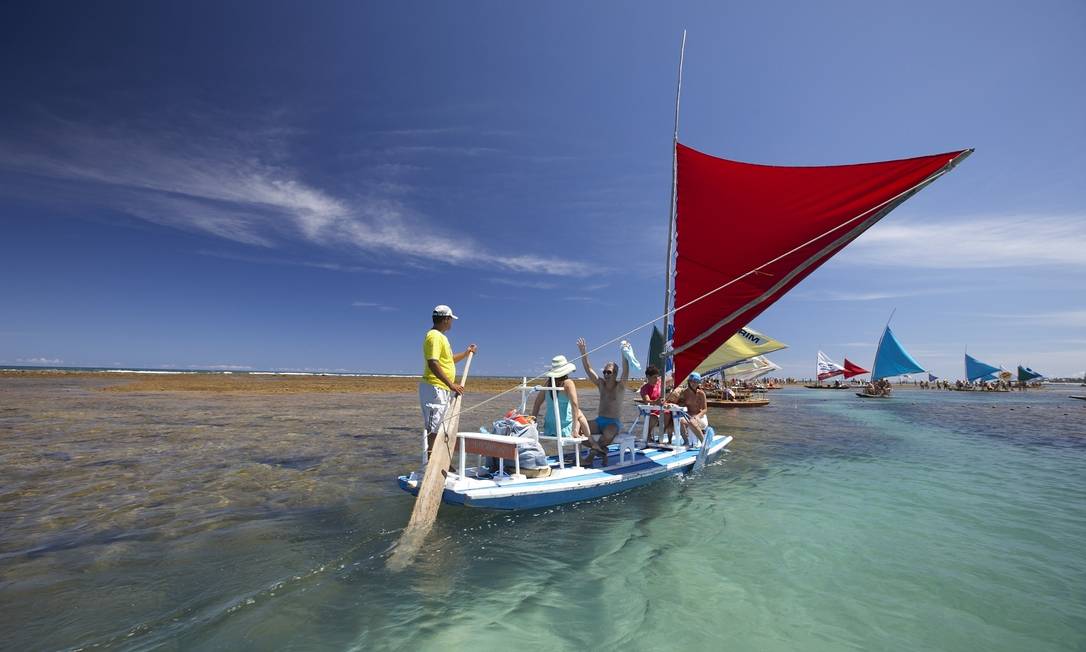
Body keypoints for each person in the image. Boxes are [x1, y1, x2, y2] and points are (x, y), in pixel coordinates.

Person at [419, 304, 477, 457]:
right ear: (446, 319)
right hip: (434, 387)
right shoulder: (434, 336)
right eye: (451, 319)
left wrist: (465, 354)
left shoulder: (441, 337)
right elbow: (433, 362)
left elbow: (448, 360)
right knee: (434, 426)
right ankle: (432, 461)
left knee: (442, 424)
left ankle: (440, 458)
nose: (452, 322)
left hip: (442, 388)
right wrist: (451, 384)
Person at [530, 355, 597, 458]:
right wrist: (574, 429)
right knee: (578, 415)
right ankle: (591, 443)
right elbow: (574, 404)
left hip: (550, 428)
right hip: (564, 428)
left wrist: (532, 424)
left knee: (578, 414)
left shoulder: (548, 383)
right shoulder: (568, 383)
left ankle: (591, 442)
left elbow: (537, 403)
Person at [576, 337, 629, 467]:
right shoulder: (601, 384)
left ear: (615, 373)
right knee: (578, 431)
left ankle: (590, 457)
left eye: (609, 372)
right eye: (604, 372)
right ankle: (602, 450)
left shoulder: (620, 386)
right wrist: (584, 352)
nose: (605, 374)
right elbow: (589, 369)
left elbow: (626, 370)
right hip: (599, 420)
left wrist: (624, 353)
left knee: (607, 436)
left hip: (612, 423)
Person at [678, 372, 709, 448]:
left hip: (700, 417)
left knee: (692, 421)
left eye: (696, 382)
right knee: (681, 421)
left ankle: (704, 442)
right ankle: (686, 441)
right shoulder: (684, 393)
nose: (693, 383)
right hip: (688, 416)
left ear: (698, 383)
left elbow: (705, 409)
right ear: (689, 382)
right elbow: (679, 404)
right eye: (692, 381)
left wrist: (697, 417)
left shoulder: (701, 393)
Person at [638, 365, 663, 441]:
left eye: (657, 377)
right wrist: (656, 402)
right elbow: (647, 401)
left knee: (669, 415)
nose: (656, 379)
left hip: (662, 411)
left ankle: (662, 438)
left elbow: (671, 379)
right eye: (654, 377)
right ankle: (648, 435)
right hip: (651, 413)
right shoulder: (644, 388)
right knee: (653, 417)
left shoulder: (659, 383)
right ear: (648, 377)